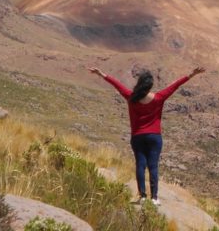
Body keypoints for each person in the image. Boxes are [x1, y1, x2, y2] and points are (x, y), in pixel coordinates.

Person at [88, 65, 206, 206]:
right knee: (153, 166)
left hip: (137, 137)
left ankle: (142, 196)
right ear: (150, 86)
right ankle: (154, 198)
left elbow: (117, 85)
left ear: (139, 84)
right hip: (154, 137)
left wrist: (102, 74)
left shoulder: (131, 97)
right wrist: (191, 74)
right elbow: (174, 86)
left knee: (140, 165)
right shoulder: (158, 98)